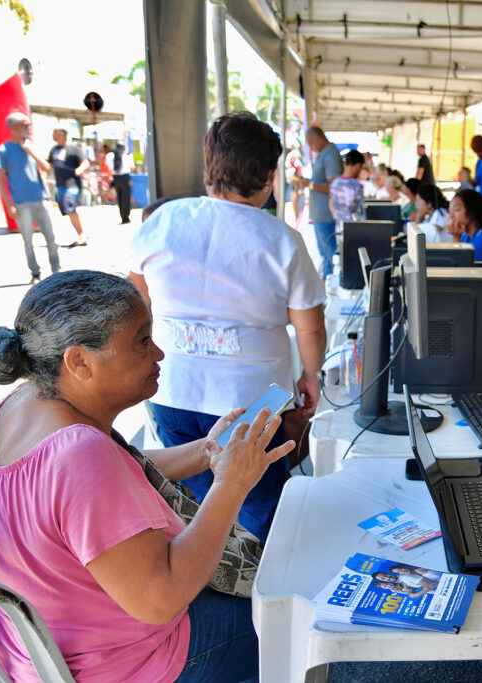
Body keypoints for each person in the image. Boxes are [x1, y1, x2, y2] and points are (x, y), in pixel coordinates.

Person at [0, 269, 285, 682]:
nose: (158, 354)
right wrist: (231, 484)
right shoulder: (79, 455)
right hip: (117, 666)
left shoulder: (19, 405)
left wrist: (204, 452)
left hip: (42, 650)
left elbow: (117, 468)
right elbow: (163, 599)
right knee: (289, 615)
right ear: (78, 361)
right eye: (142, 340)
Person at [130, 112, 327, 541]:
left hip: (172, 386)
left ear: (209, 163)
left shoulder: (163, 221)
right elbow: (309, 329)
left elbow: (135, 302)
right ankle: (258, 590)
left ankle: (212, 580)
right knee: (258, 503)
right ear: (269, 176)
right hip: (259, 396)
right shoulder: (282, 239)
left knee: (196, 503)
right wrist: (310, 377)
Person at [0, 111, 59, 284]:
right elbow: (0, 180)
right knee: (28, 240)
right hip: (22, 203)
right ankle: (35, 273)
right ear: (14, 127)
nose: (29, 128)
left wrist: (30, 151)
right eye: (25, 125)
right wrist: (9, 204)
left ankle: (56, 270)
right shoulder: (3, 150)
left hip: (41, 198)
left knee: (51, 237)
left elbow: (46, 168)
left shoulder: (31, 146)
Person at [296, 126, 343, 276]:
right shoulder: (325, 153)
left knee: (329, 252)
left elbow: (334, 185)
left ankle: (329, 279)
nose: (311, 147)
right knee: (324, 252)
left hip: (325, 213)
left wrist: (310, 184)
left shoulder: (331, 155)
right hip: (319, 213)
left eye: (311, 143)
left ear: (318, 138)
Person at [47, 128, 90, 245]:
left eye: (55, 133)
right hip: (60, 185)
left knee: (69, 205)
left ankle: (82, 234)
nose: (53, 135)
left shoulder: (74, 149)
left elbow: (85, 162)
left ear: (62, 134)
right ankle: (81, 233)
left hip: (72, 183)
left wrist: (79, 169)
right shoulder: (54, 150)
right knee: (66, 208)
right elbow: (48, 165)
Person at [446, 188, 482, 269]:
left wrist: (455, 237)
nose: (451, 216)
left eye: (456, 210)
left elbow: (457, 271)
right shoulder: (466, 236)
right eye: (450, 211)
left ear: (472, 211)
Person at [329, 149, 365, 226]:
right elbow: (360, 209)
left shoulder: (334, 183)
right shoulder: (356, 185)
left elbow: (331, 207)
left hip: (338, 226)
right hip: (353, 227)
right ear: (358, 165)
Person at [107, 142, 135, 224]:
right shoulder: (127, 156)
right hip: (125, 177)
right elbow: (132, 167)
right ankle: (126, 216)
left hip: (116, 178)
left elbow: (109, 167)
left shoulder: (110, 156)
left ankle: (122, 216)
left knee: (119, 198)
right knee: (126, 198)